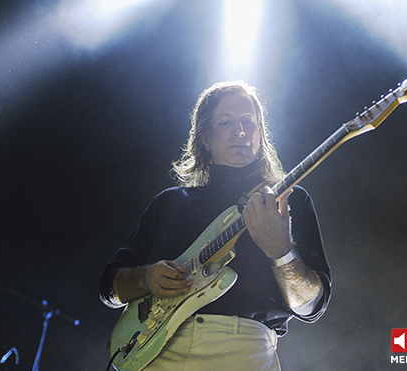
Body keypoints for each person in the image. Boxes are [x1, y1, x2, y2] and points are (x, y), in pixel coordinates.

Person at [99, 81, 331, 370]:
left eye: (249, 121)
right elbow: (110, 288)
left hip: (242, 354)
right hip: (156, 353)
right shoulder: (168, 203)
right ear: (204, 138)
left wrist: (281, 252)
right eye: (226, 122)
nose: (241, 131)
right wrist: (145, 278)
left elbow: (311, 306)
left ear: (261, 133)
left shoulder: (286, 200)